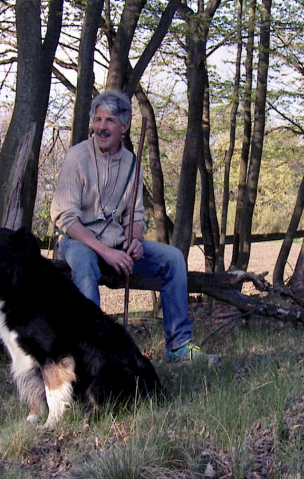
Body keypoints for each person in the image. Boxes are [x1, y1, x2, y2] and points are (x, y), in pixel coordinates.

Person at [51, 90, 218, 363]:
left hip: (116, 243)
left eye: (109, 121)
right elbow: (66, 219)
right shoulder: (77, 157)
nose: (102, 127)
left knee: (173, 259)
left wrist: (135, 240)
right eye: (98, 120)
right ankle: (92, 353)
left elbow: (135, 216)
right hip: (78, 241)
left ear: (124, 126)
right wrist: (106, 252)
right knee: (84, 263)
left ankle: (179, 347)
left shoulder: (132, 163)